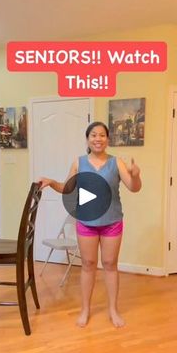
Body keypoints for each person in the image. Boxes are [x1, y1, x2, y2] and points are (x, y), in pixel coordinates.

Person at [39, 121, 142, 328]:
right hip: (86, 221)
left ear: (107, 139)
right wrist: (51, 182)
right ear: (88, 139)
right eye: (93, 135)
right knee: (88, 265)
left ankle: (113, 310)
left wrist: (136, 175)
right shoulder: (79, 163)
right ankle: (85, 310)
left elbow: (134, 188)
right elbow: (67, 188)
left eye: (102, 135)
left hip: (112, 221)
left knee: (111, 265)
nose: (98, 138)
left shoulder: (117, 163)